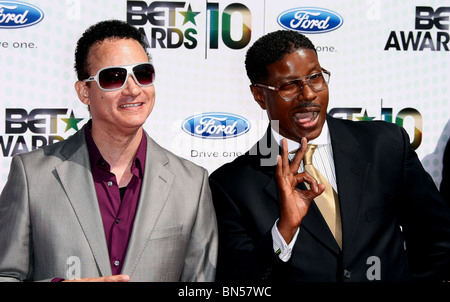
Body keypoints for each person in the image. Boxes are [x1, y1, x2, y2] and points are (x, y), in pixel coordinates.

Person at [209, 30, 450, 282]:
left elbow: (438, 242)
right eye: (289, 85)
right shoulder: (231, 186)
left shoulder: (385, 146)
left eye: (315, 77)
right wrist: (284, 231)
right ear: (259, 95)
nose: (308, 94)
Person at [0, 20, 218, 282]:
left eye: (143, 73)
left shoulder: (191, 183)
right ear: (84, 92)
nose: (133, 89)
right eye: (114, 77)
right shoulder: (32, 176)